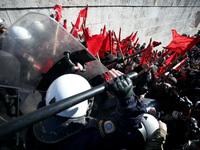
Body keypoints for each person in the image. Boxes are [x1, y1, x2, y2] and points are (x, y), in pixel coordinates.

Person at [25, 69, 148, 150]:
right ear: (87, 106)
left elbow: (58, 94)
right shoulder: (88, 137)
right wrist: (127, 99)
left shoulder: (38, 118)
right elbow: (123, 132)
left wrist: (68, 77)